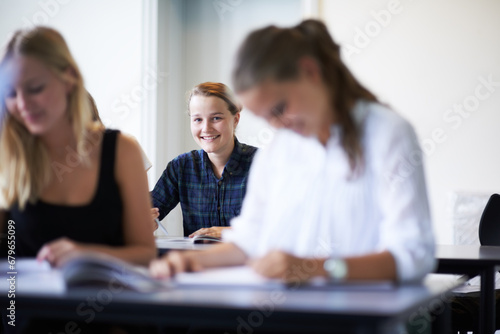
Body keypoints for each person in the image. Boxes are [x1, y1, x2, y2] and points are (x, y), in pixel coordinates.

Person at [150, 19, 435, 284]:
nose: (277, 125)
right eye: (267, 117)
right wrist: (186, 262)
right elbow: (249, 241)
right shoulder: (280, 149)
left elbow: (414, 256)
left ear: (310, 73)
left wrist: (316, 268)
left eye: (279, 108)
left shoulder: (386, 133)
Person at [0, 27, 156, 268]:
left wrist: (87, 255)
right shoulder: (8, 154)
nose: (22, 105)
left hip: (107, 302)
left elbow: (145, 253)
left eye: (35, 88)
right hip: (21, 304)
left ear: (69, 79)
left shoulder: (122, 151)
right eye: (11, 93)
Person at [151, 82, 257, 239]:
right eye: (198, 119)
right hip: (197, 262)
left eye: (216, 118)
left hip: (250, 262)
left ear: (235, 120)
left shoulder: (262, 164)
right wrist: (143, 220)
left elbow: (284, 226)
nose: (206, 128)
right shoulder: (181, 167)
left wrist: (231, 232)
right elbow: (145, 214)